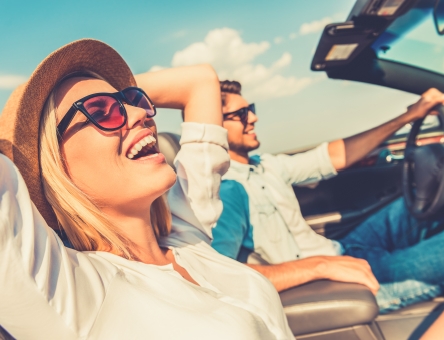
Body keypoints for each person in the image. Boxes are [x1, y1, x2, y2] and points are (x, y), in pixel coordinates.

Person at [0, 40, 293, 339]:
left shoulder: (186, 234)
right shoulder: (73, 291)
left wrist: (117, 93)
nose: (142, 115)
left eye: (134, 100)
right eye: (101, 111)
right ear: (55, 166)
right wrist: (28, 120)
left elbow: (201, 81)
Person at [212, 80, 444, 313]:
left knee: (411, 203)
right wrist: (319, 267)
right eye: (240, 114)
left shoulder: (266, 165)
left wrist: (408, 117)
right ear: (214, 126)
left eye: (250, 109)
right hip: (330, 282)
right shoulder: (225, 190)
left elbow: (334, 155)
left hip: (341, 250)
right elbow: (222, 276)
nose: (253, 118)